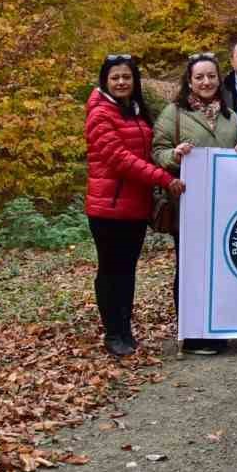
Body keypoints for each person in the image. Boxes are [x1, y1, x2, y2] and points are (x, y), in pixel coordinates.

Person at [85, 55, 183, 358]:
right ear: (105, 81)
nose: (121, 82)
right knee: (111, 270)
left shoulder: (136, 113)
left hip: (135, 208)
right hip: (108, 208)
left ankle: (125, 329)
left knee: (127, 272)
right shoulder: (100, 114)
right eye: (115, 77)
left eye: (126, 77)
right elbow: (120, 160)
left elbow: (151, 151)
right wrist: (163, 178)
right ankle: (113, 333)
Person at [154, 52, 237, 356]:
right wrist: (175, 155)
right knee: (190, 267)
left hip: (225, 208)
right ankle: (192, 333)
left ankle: (217, 326)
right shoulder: (174, 114)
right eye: (199, 77)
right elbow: (157, 152)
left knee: (221, 267)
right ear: (189, 82)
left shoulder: (230, 117)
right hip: (189, 204)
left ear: (220, 79)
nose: (206, 82)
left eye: (211, 76)